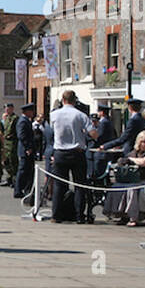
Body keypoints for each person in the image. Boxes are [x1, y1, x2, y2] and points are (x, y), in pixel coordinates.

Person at [48, 90, 95, 224]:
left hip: (60, 152)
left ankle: (56, 215)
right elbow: (93, 133)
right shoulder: (81, 115)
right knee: (79, 185)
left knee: (58, 185)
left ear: (63, 100)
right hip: (77, 152)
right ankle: (79, 216)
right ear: (75, 100)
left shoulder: (54, 115)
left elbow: (51, 131)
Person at [103, 130, 145, 226]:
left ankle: (134, 217)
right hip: (132, 179)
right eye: (144, 142)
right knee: (117, 187)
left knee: (132, 190)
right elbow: (125, 159)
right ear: (139, 142)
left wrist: (131, 160)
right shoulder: (134, 152)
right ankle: (121, 214)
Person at [14, 103, 36, 199]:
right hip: (25, 150)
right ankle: (18, 190)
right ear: (27, 111)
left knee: (29, 171)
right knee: (23, 170)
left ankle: (27, 189)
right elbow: (22, 136)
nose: (33, 113)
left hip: (27, 149)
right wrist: (28, 147)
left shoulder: (26, 121)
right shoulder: (23, 121)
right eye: (31, 111)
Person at [1, 102, 19, 187]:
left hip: (12, 142)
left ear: (12, 109)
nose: (6, 110)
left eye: (8, 108)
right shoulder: (7, 118)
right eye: (5, 108)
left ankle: (15, 180)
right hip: (6, 142)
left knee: (13, 161)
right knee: (6, 161)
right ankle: (9, 178)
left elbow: (16, 131)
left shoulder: (15, 118)